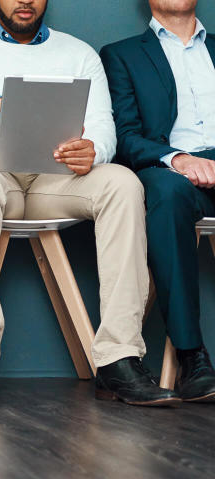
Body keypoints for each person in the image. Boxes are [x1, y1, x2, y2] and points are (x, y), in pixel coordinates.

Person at [0, 0, 179, 407]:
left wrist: (92, 151)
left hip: (56, 174)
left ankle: (119, 357)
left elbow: (103, 127)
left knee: (123, 183)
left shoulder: (78, 53)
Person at [101, 0, 215, 403]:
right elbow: (125, 137)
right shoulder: (122, 55)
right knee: (166, 196)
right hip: (168, 168)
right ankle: (191, 357)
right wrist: (180, 160)